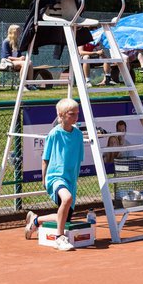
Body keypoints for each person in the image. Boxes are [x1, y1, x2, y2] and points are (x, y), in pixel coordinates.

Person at [23, 98, 83, 251]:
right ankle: (59, 238)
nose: (76, 117)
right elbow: (45, 159)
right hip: (55, 177)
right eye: (72, 114)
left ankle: (35, 221)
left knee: (64, 217)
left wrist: (75, 179)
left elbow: (78, 159)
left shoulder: (78, 135)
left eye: (77, 113)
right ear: (61, 115)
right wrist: (44, 179)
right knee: (67, 198)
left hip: (70, 179)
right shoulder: (54, 134)